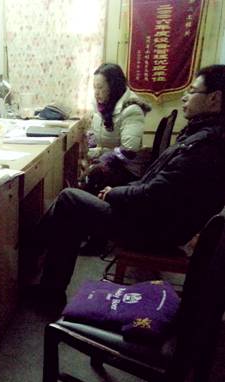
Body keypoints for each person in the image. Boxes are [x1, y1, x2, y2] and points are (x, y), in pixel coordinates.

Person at [30, 64, 225, 311]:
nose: (185, 97)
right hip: (160, 220)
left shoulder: (203, 147)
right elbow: (157, 184)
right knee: (67, 203)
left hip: (154, 229)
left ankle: (43, 277)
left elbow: (154, 193)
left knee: (69, 200)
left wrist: (115, 193)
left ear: (214, 99)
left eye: (192, 91)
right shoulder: (205, 136)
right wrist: (121, 191)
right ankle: (37, 255)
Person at [81, 63, 152, 194]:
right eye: (94, 88)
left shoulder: (132, 110)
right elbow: (94, 134)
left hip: (127, 169)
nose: (96, 93)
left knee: (89, 180)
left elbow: (129, 151)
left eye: (100, 87)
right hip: (108, 162)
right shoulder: (102, 106)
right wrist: (88, 153)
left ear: (113, 87)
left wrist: (99, 161)